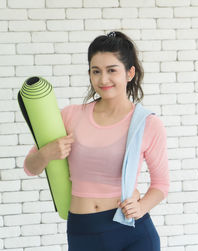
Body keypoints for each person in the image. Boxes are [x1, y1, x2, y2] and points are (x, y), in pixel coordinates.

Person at [23, 31, 169, 251]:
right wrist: (47, 153)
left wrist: (142, 207)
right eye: (96, 71)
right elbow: (29, 167)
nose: (103, 79)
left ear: (130, 73)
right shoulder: (71, 115)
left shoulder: (147, 123)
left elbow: (161, 184)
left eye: (112, 70)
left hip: (132, 232)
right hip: (83, 231)